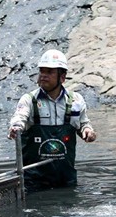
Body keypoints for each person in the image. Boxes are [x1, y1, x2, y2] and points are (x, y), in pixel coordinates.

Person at [7, 49, 97, 190]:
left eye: (49, 72)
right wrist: (15, 128)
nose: (43, 76)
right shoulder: (29, 100)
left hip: (66, 181)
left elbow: (83, 123)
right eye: (42, 71)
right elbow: (19, 118)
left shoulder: (76, 100)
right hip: (33, 183)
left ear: (62, 77)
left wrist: (88, 131)